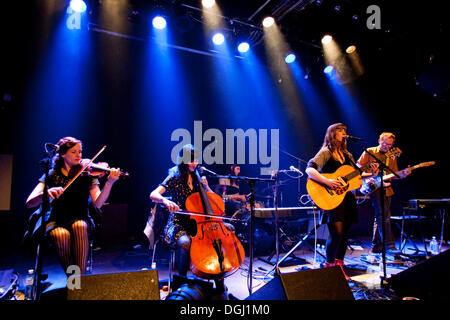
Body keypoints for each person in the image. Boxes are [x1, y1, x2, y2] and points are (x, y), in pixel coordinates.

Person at [26, 137, 121, 275]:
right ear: (63, 154)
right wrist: (45, 194)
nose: (79, 155)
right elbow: (30, 202)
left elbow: (98, 203)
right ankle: (73, 278)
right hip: (56, 220)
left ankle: (79, 280)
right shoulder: (52, 174)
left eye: (80, 152)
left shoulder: (86, 174)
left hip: (81, 217)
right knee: (61, 235)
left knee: (79, 226)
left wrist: (110, 183)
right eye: (73, 152)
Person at [149, 144, 215, 277]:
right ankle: (182, 281)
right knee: (185, 242)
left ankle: (217, 280)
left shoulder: (198, 178)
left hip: (197, 224)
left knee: (215, 238)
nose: (194, 163)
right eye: (191, 160)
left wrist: (207, 188)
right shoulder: (174, 177)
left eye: (196, 160)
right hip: (177, 223)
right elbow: (153, 194)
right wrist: (165, 201)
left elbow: (213, 201)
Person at [305, 123, 358, 280]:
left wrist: (371, 173)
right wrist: (327, 182)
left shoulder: (348, 155)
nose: (343, 133)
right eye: (340, 131)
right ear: (332, 134)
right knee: (337, 234)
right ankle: (329, 269)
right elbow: (310, 169)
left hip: (347, 198)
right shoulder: (326, 152)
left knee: (345, 235)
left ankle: (339, 268)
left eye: (344, 131)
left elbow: (357, 177)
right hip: (332, 198)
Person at [357, 132, 411, 255]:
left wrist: (402, 175)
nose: (387, 147)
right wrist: (369, 176)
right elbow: (357, 170)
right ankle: (389, 245)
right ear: (379, 140)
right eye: (385, 143)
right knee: (383, 216)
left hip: (387, 187)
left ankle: (376, 247)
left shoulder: (391, 156)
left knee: (380, 217)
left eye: (390, 145)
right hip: (373, 187)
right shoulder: (369, 152)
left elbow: (393, 174)